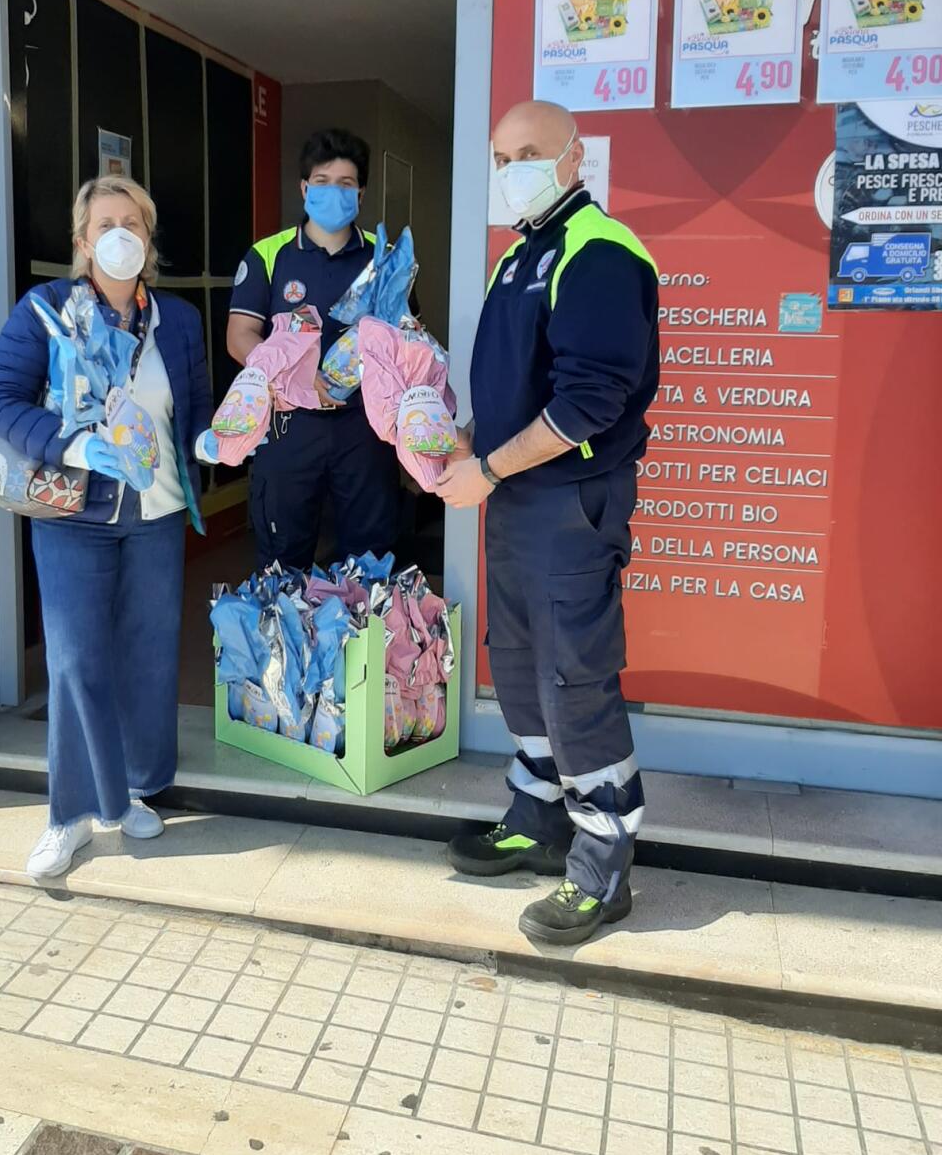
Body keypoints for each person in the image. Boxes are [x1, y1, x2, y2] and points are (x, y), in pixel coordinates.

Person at [437, 100, 659, 945]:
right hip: (517, 500)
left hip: (570, 502)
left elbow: (588, 402)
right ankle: (538, 819)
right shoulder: (519, 254)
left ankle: (603, 867)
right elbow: (516, 389)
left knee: (574, 675)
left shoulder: (598, 251)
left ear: (574, 159)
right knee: (523, 666)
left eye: (528, 153)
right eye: (500, 158)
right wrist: (466, 439)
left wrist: (490, 468)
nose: (511, 171)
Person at [0, 176, 212, 879]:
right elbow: (0, 400)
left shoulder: (179, 320)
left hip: (156, 514)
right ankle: (70, 816)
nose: (120, 234)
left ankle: (132, 790)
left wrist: (212, 441)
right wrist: (74, 445)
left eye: (132, 223)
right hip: (75, 514)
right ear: (83, 242)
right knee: (77, 661)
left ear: (148, 238)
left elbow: (195, 407)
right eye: (105, 223)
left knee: (148, 657)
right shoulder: (45, 311)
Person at [227, 127, 401, 569]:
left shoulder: (384, 259)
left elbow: (404, 338)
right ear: (304, 189)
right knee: (282, 559)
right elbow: (240, 335)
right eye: (322, 182)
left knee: (370, 559)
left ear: (361, 194)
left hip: (365, 427)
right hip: (289, 424)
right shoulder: (268, 255)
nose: (333, 193)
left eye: (346, 183)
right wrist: (298, 379)